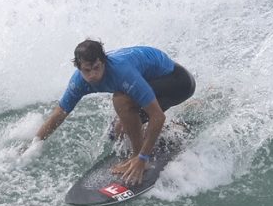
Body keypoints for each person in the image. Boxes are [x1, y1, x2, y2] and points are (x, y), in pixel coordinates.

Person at [34, 39, 195, 185]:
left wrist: (142, 157)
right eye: (87, 70)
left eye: (96, 68)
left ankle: (140, 158)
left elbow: (157, 116)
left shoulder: (121, 72)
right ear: (78, 67)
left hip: (178, 82)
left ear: (104, 61)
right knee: (119, 131)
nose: (93, 75)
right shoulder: (79, 81)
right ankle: (169, 130)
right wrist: (35, 144)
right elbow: (60, 113)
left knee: (121, 101)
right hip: (151, 81)